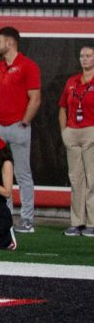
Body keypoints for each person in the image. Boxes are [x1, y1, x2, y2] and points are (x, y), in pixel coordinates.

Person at [0, 26, 41, 233]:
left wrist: (24, 122)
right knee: (0, 174)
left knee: (22, 174)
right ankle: (6, 217)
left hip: (17, 127)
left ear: (9, 42)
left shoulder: (28, 66)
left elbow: (35, 98)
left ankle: (27, 220)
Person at [58, 44, 94, 236]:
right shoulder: (72, 81)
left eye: (88, 55)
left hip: (91, 131)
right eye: (82, 56)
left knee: (92, 178)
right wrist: (65, 131)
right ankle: (77, 222)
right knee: (76, 178)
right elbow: (62, 106)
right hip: (73, 131)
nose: (85, 59)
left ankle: (92, 222)